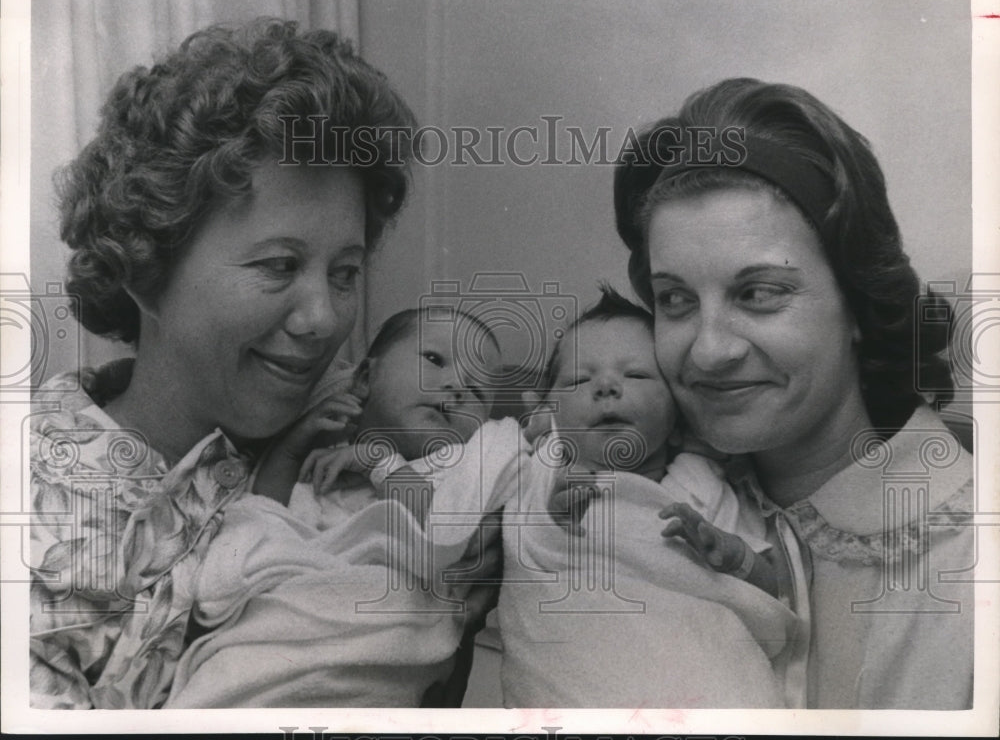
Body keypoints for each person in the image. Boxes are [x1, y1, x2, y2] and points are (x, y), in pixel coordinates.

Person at [28, 17, 418, 709]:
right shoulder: (36, 519)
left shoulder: (336, 451)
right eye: (279, 265)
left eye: (346, 272)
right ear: (145, 267)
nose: (325, 318)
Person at [612, 77, 973, 709]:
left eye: (759, 293)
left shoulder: (969, 558)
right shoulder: (648, 498)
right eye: (675, 300)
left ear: (857, 303)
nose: (708, 350)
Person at [164, 307, 519, 707]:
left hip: (370, 653)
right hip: (274, 635)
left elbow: (433, 534)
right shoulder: (327, 455)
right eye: (435, 360)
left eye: (475, 392)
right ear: (366, 377)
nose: (456, 387)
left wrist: (380, 462)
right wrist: (294, 447)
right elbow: (267, 516)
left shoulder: (454, 468)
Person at [497, 284, 801, 708]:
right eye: (579, 380)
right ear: (548, 414)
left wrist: (733, 556)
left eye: (635, 375)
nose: (605, 387)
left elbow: (771, 590)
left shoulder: (704, 490)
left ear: (680, 422)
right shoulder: (537, 471)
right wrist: (549, 514)